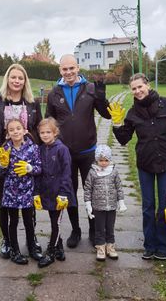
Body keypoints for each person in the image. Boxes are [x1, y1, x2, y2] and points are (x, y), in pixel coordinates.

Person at [110, 73, 166, 261]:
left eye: (140, 86)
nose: (138, 91)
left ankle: (164, 245)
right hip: (145, 163)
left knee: (165, 205)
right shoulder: (133, 113)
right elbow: (124, 139)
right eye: (134, 88)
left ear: (147, 85)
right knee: (148, 206)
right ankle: (149, 245)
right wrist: (117, 123)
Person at [45, 54, 112, 248]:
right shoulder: (54, 93)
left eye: (71, 68)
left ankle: (93, 229)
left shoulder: (90, 88)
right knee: (70, 191)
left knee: (92, 192)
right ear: (60, 71)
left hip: (89, 151)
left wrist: (101, 98)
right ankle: (75, 230)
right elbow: (49, 121)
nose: (68, 72)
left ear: (78, 68)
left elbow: (106, 115)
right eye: (64, 69)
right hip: (65, 153)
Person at [0, 64, 43, 260]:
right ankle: (8, 240)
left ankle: (31, 239)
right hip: (5, 160)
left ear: (25, 81)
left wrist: (35, 151)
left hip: (26, 159)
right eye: (13, 77)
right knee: (5, 203)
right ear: (7, 79)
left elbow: (39, 127)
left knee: (29, 203)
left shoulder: (32, 103)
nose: (17, 81)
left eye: (21, 78)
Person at [0, 118, 42, 265]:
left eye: (18, 128)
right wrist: (3, 165)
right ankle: (15, 250)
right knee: (13, 221)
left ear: (24, 131)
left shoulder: (33, 148)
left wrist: (30, 168)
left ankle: (32, 247)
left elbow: (39, 168)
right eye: (11, 130)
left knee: (29, 220)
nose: (15, 131)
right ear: (8, 134)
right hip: (11, 192)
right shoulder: (6, 149)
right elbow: (0, 173)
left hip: (28, 190)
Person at [33, 117, 76, 268]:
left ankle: (51, 252)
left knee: (56, 222)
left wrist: (64, 193)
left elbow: (67, 172)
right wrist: (36, 192)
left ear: (55, 132)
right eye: (42, 132)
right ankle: (59, 247)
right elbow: (38, 172)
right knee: (52, 219)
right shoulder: (41, 149)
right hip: (47, 191)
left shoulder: (62, 149)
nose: (45, 135)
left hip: (59, 193)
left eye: (48, 132)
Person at [83, 145, 126, 261]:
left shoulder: (114, 171)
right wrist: (88, 205)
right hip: (98, 207)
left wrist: (121, 202)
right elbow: (87, 188)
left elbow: (119, 187)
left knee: (110, 227)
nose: (103, 163)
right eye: (101, 160)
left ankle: (110, 247)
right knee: (99, 228)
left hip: (111, 206)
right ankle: (100, 247)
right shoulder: (93, 172)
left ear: (110, 160)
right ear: (97, 160)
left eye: (106, 160)